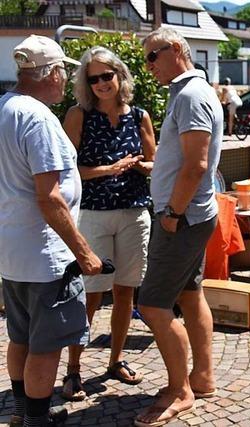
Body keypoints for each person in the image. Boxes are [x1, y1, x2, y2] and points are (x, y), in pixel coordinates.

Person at [0, 35, 103, 426]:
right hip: (46, 257)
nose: (66, 80)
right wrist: (84, 252)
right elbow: (50, 197)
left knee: (21, 337)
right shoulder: (39, 117)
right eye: (64, 72)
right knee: (45, 346)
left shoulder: (4, 107)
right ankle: (36, 421)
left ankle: (24, 412)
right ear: (53, 73)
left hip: (13, 251)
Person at [135, 28, 222, 427]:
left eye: (152, 57)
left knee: (152, 305)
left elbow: (197, 164)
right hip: (190, 214)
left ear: (175, 50)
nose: (148, 66)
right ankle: (201, 377)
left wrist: (170, 212)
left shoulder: (189, 94)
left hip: (182, 217)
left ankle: (180, 389)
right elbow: (186, 160)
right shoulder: (188, 91)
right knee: (190, 294)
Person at [60, 46, 156, 400]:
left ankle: (115, 361)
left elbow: (153, 161)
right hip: (94, 214)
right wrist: (108, 170)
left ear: (120, 75)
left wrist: (144, 167)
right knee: (89, 293)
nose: (101, 83)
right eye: (93, 78)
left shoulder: (140, 116)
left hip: (133, 211)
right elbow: (67, 171)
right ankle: (73, 370)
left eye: (107, 75)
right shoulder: (78, 115)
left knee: (125, 293)